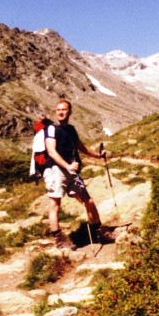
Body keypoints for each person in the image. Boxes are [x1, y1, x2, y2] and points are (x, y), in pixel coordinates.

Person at [43, 98, 115, 250]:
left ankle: (98, 232)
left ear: (69, 112)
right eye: (58, 110)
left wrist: (98, 156)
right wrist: (68, 166)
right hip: (56, 171)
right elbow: (51, 151)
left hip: (71, 172)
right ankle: (59, 240)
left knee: (88, 201)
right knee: (55, 205)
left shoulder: (71, 129)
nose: (61, 112)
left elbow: (81, 148)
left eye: (64, 110)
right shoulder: (51, 129)